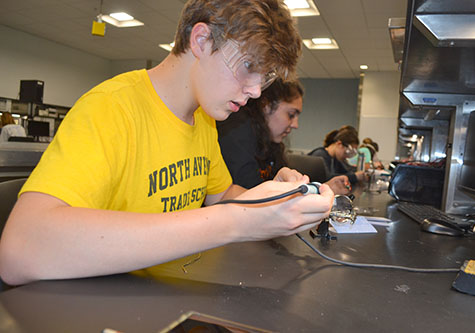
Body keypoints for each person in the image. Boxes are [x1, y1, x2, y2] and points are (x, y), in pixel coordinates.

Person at [0, 0, 334, 286]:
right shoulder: (111, 108)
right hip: (106, 303)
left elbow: (223, 195)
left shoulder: (204, 118)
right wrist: (234, 223)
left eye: (265, 77)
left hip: (172, 294)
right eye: (249, 66)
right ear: (201, 40)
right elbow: (20, 249)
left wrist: (274, 202)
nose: (256, 91)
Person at [217, 79, 350, 194]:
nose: (295, 125)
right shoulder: (237, 132)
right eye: (291, 115)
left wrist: (322, 189)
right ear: (266, 105)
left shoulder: (270, 142)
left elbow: (277, 194)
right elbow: (251, 198)